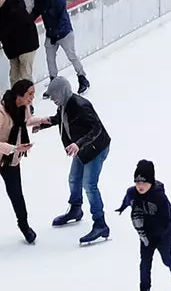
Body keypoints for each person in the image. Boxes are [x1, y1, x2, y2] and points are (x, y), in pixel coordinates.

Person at [33, 72, 111, 244]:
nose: (53, 99)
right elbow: (59, 119)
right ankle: (75, 209)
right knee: (74, 178)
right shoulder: (65, 104)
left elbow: (96, 128)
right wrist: (41, 125)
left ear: (63, 92)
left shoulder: (79, 105)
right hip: (82, 148)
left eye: (54, 96)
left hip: (96, 148)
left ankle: (101, 224)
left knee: (89, 184)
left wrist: (78, 144)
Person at [116, 159, 171, 290]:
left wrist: (159, 236)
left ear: (151, 182)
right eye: (137, 182)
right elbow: (128, 198)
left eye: (144, 182)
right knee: (145, 264)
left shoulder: (160, 198)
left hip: (163, 234)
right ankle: (144, 288)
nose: (140, 186)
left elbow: (166, 219)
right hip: (146, 234)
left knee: (166, 259)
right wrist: (122, 207)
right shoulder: (132, 192)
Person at [29, 0, 88, 92]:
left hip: (64, 33)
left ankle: (82, 78)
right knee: (50, 59)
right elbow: (37, 10)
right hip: (51, 34)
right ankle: (53, 82)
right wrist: (28, 20)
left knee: (72, 56)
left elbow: (62, 17)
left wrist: (57, 33)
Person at [1, 78, 35, 243]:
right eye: (29, 94)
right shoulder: (1, 113)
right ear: (18, 95)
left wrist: (46, 121)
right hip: (7, 153)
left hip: (10, 161)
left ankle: (24, 225)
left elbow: (27, 122)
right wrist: (14, 148)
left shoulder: (23, 107)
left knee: (16, 194)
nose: (32, 98)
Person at [0, 0, 41, 85]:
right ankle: (15, 99)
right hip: (12, 49)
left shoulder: (15, 6)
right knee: (14, 78)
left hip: (26, 46)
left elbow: (20, 24)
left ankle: (28, 99)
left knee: (25, 76)